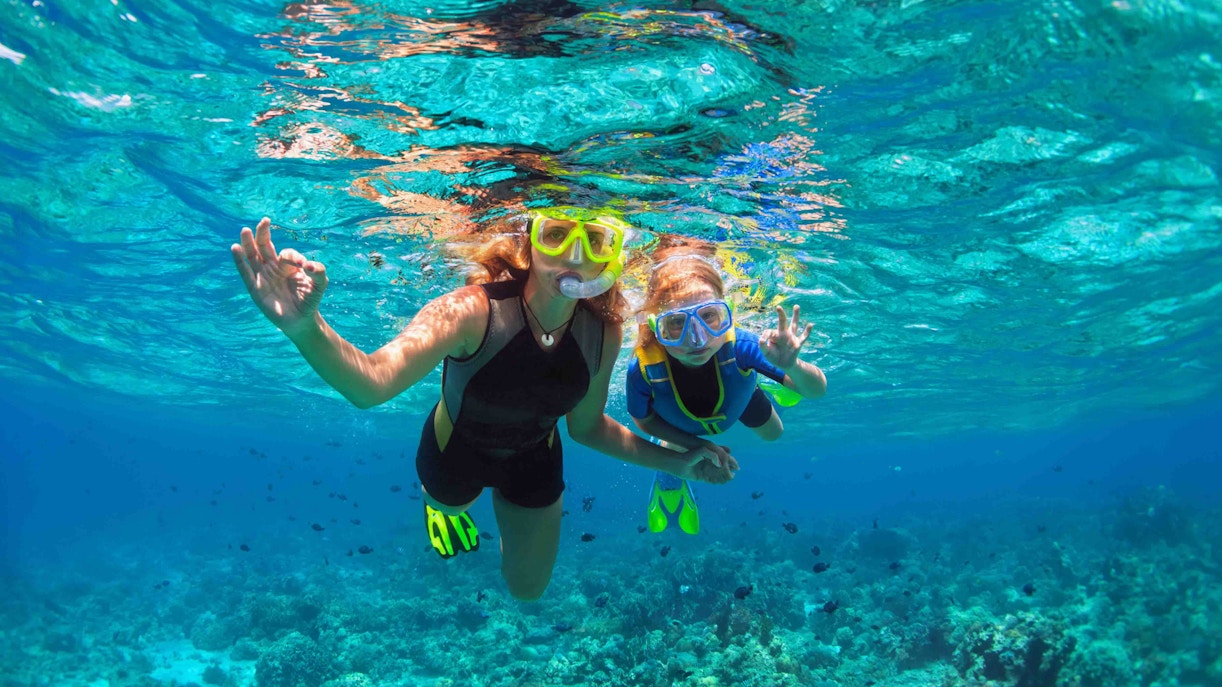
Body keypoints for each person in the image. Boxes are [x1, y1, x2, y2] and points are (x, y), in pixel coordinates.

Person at [231, 208, 735, 600]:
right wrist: (304, 327)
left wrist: (680, 461)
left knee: (528, 590)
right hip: (455, 451)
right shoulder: (472, 310)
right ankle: (442, 508)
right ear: (529, 243)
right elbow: (372, 384)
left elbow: (587, 429)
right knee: (449, 505)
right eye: (556, 235)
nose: (575, 256)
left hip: (536, 457)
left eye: (595, 240)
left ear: (610, 255)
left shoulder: (604, 330)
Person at [626, 241, 827, 535]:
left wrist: (791, 366)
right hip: (678, 423)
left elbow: (817, 391)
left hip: (738, 397)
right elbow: (642, 421)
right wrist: (699, 447)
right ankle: (669, 480)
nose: (696, 340)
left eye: (709, 316)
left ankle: (773, 380)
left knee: (775, 434)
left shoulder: (743, 346)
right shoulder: (644, 368)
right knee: (677, 449)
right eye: (676, 323)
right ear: (657, 327)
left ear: (728, 313)